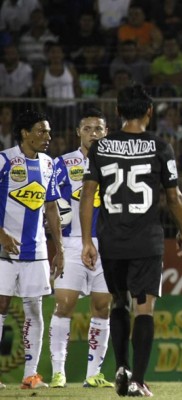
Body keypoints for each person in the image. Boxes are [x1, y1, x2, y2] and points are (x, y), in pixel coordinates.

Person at [80, 84, 182, 397]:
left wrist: (88, 240)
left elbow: (88, 194)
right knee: (144, 309)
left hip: (111, 239)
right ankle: (138, 380)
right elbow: (174, 195)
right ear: (149, 112)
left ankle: (121, 366)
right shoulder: (160, 146)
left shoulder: (101, 148)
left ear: (117, 112)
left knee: (118, 302)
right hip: (146, 241)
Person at [48, 108, 113, 389]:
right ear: (78, 132)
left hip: (108, 244)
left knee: (103, 307)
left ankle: (93, 374)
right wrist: (58, 245)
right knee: (64, 305)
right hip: (72, 244)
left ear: (106, 132)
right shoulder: (61, 164)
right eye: (87, 128)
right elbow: (50, 204)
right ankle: (58, 372)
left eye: (98, 128)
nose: (93, 133)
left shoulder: (115, 163)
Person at [0, 109, 64, 389]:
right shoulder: (4, 160)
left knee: (35, 310)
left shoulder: (49, 164)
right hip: (4, 249)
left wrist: (59, 248)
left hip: (36, 249)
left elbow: (51, 207)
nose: (47, 136)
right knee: (1, 306)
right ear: (25, 133)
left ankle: (30, 374)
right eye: (41, 130)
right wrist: (1, 234)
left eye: (48, 131)